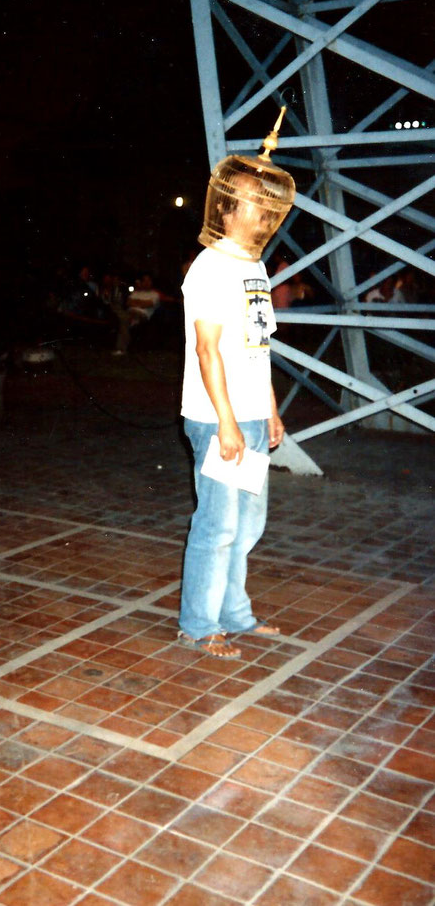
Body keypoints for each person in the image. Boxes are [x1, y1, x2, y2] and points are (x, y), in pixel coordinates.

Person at [178, 172, 287, 659]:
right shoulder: (210, 267)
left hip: (250, 416)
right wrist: (224, 421)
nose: (264, 209)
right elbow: (207, 350)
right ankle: (198, 625)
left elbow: (257, 347)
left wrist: (270, 409)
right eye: (252, 200)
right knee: (217, 527)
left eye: (268, 202)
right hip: (217, 415)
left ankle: (235, 614)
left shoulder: (254, 267)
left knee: (246, 527)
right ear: (226, 208)